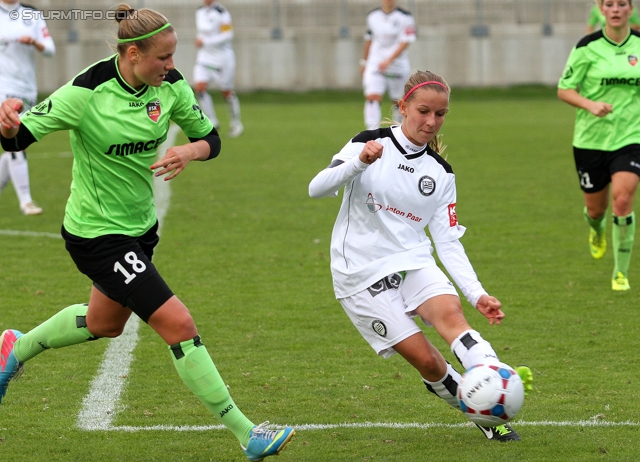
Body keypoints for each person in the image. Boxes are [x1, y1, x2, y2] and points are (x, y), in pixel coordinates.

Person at [0, 5, 294, 461]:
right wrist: (7, 123)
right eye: (163, 57)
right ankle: (246, 432)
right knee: (179, 324)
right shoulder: (86, 90)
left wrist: (189, 151)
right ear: (133, 53)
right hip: (96, 234)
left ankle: (15, 347)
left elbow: (211, 139)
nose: (172, 66)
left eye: (174, 56)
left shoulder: (170, 87)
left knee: (104, 324)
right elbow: (18, 139)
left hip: (141, 230)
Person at [309, 70, 533, 442]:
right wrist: (359, 163)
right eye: (423, 111)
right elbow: (316, 188)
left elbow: (447, 243)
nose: (431, 122)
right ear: (403, 107)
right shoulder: (368, 142)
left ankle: (494, 378)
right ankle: (480, 411)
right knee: (429, 362)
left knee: (452, 315)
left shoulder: (441, 173)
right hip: (358, 273)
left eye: (440, 114)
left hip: (412, 260)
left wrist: (477, 294)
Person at [559, 0, 640, 291]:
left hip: (632, 137)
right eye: (609, 4)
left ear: (631, 9)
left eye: (622, 3)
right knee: (596, 210)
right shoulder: (586, 47)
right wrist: (590, 104)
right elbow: (564, 89)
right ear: (600, 9)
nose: (616, 8)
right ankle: (596, 229)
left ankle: (620, 272)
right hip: (590, 140)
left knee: (622, 200)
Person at [0, 0, 55, 215]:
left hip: (27, 88)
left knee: (15, 146)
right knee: (14, 143)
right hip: (3, 86)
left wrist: (35, 42)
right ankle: (26, 201)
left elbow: (50, 49)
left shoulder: (31, 14)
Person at [360, 0, 416, 130]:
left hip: (397, 66)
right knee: (372, 97)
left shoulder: (405, 17)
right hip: (376, 64)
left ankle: (398, 129)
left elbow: (405, 42)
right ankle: (371, 131)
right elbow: (369, 39)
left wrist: (389, 61)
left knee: (398, 102)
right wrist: (364, 61)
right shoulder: (372, 16)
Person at [193, 0, 243, 138]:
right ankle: (212, 121)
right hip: (204, 57)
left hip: (222, 58)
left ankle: (236, 123)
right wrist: (199, 40)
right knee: (200, 88)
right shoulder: (199, 11)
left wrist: (206, 42)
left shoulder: (222, 13)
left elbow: (227, 35)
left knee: (226, 91)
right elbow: (201, 32)